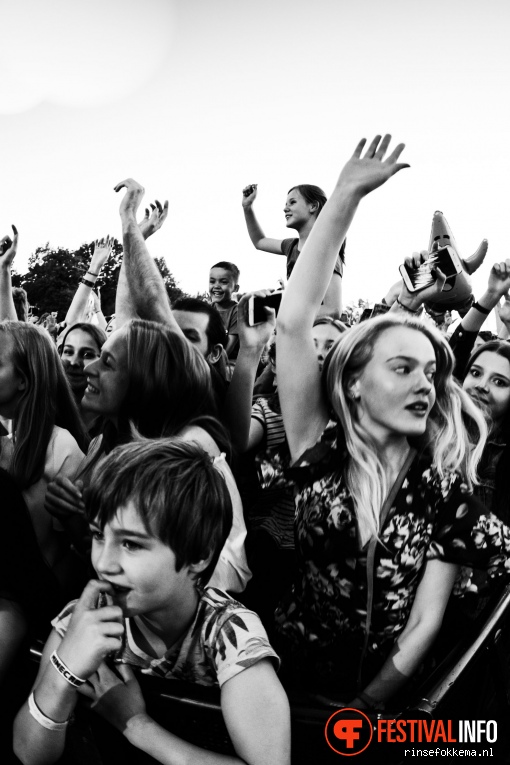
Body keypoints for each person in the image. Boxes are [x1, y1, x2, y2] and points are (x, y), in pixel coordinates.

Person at [273, 134, 510, 708]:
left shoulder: (443, 487)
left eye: (430, 372)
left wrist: (367, 708)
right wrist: (346, 197)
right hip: (285, 677)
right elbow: (292, 324)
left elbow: (425, 621)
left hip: (385, 698)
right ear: (353, 380)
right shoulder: (316, 443)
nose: (425, 384)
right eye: (402, 367)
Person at [14, 439, 290, 765]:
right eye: (99, 536)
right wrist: (63, 671)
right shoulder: (83, 622)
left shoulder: (229, 635)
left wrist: (138, 726)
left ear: (198, 555)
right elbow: (29, 753)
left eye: (130, 544)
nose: (104, 563)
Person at [46, 318, 251, 594]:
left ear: (144, 381)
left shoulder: (190, 450)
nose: (88, 368)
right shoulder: (100, 444)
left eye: (106, 363)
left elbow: (230, 572)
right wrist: (76, 519)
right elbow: (100, 558)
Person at [242, 183, 344, 316]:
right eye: (286, 204)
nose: (285, 209)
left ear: (313, 206)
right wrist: (247, 207)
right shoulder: (291, 246)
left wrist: (286, 317)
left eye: (292, 202)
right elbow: (259, 241)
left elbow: (333, 310)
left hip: (317, 333)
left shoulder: (326, 250)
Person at [58, 322, 107, 434]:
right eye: (68, 352)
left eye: (87, 355)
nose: (74, 362)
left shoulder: (113, 422)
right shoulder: (44, 410)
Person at [209, 261, 240, 360]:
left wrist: (211, 361)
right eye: (212, 281)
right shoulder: (207, 310)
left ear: (235, 288)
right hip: (210, 357)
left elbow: (227, 349)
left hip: (229, 360)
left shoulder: (237, 311)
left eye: (223, 282)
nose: (216, 286)